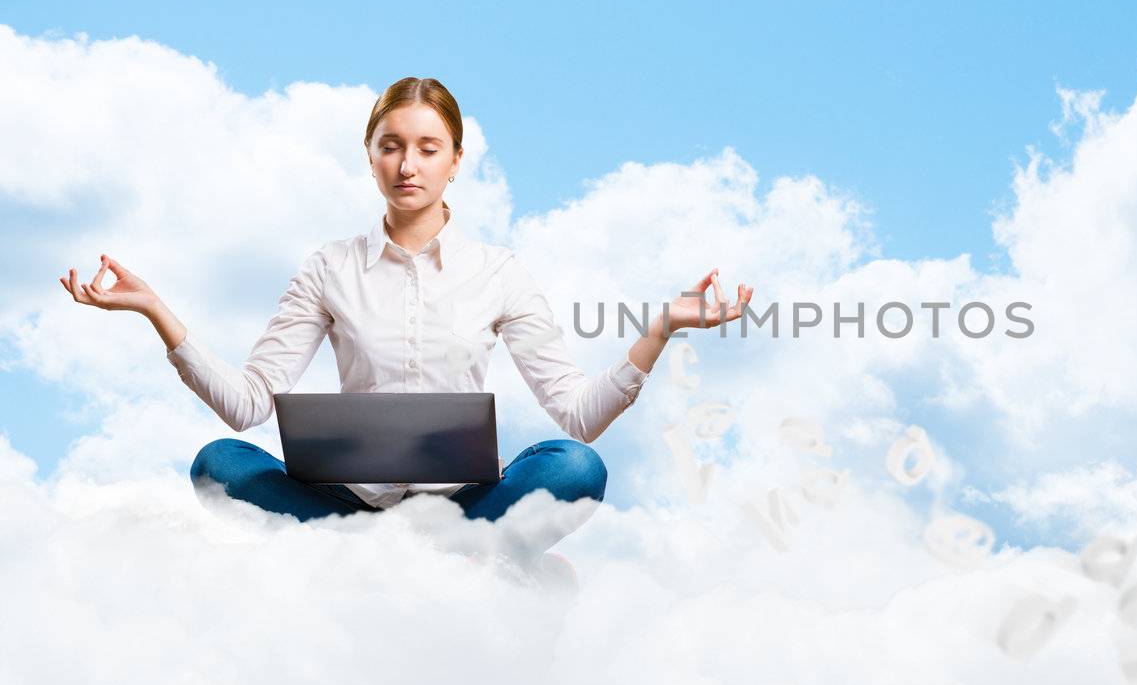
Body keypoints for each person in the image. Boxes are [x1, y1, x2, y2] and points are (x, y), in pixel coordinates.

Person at [58, 76, 753, 548]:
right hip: (348, 506)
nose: (407, 165)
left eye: (427, 148)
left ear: (456, 160)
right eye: (391, 147)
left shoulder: (499, 273)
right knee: (219, 463)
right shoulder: (329, 267)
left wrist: (662, 329)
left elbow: (579, 413)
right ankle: (421, 553)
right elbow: (247, 405)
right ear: (370, 158)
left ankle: (431, 549)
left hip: (463, 505)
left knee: (574, 466)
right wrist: (155, 309)